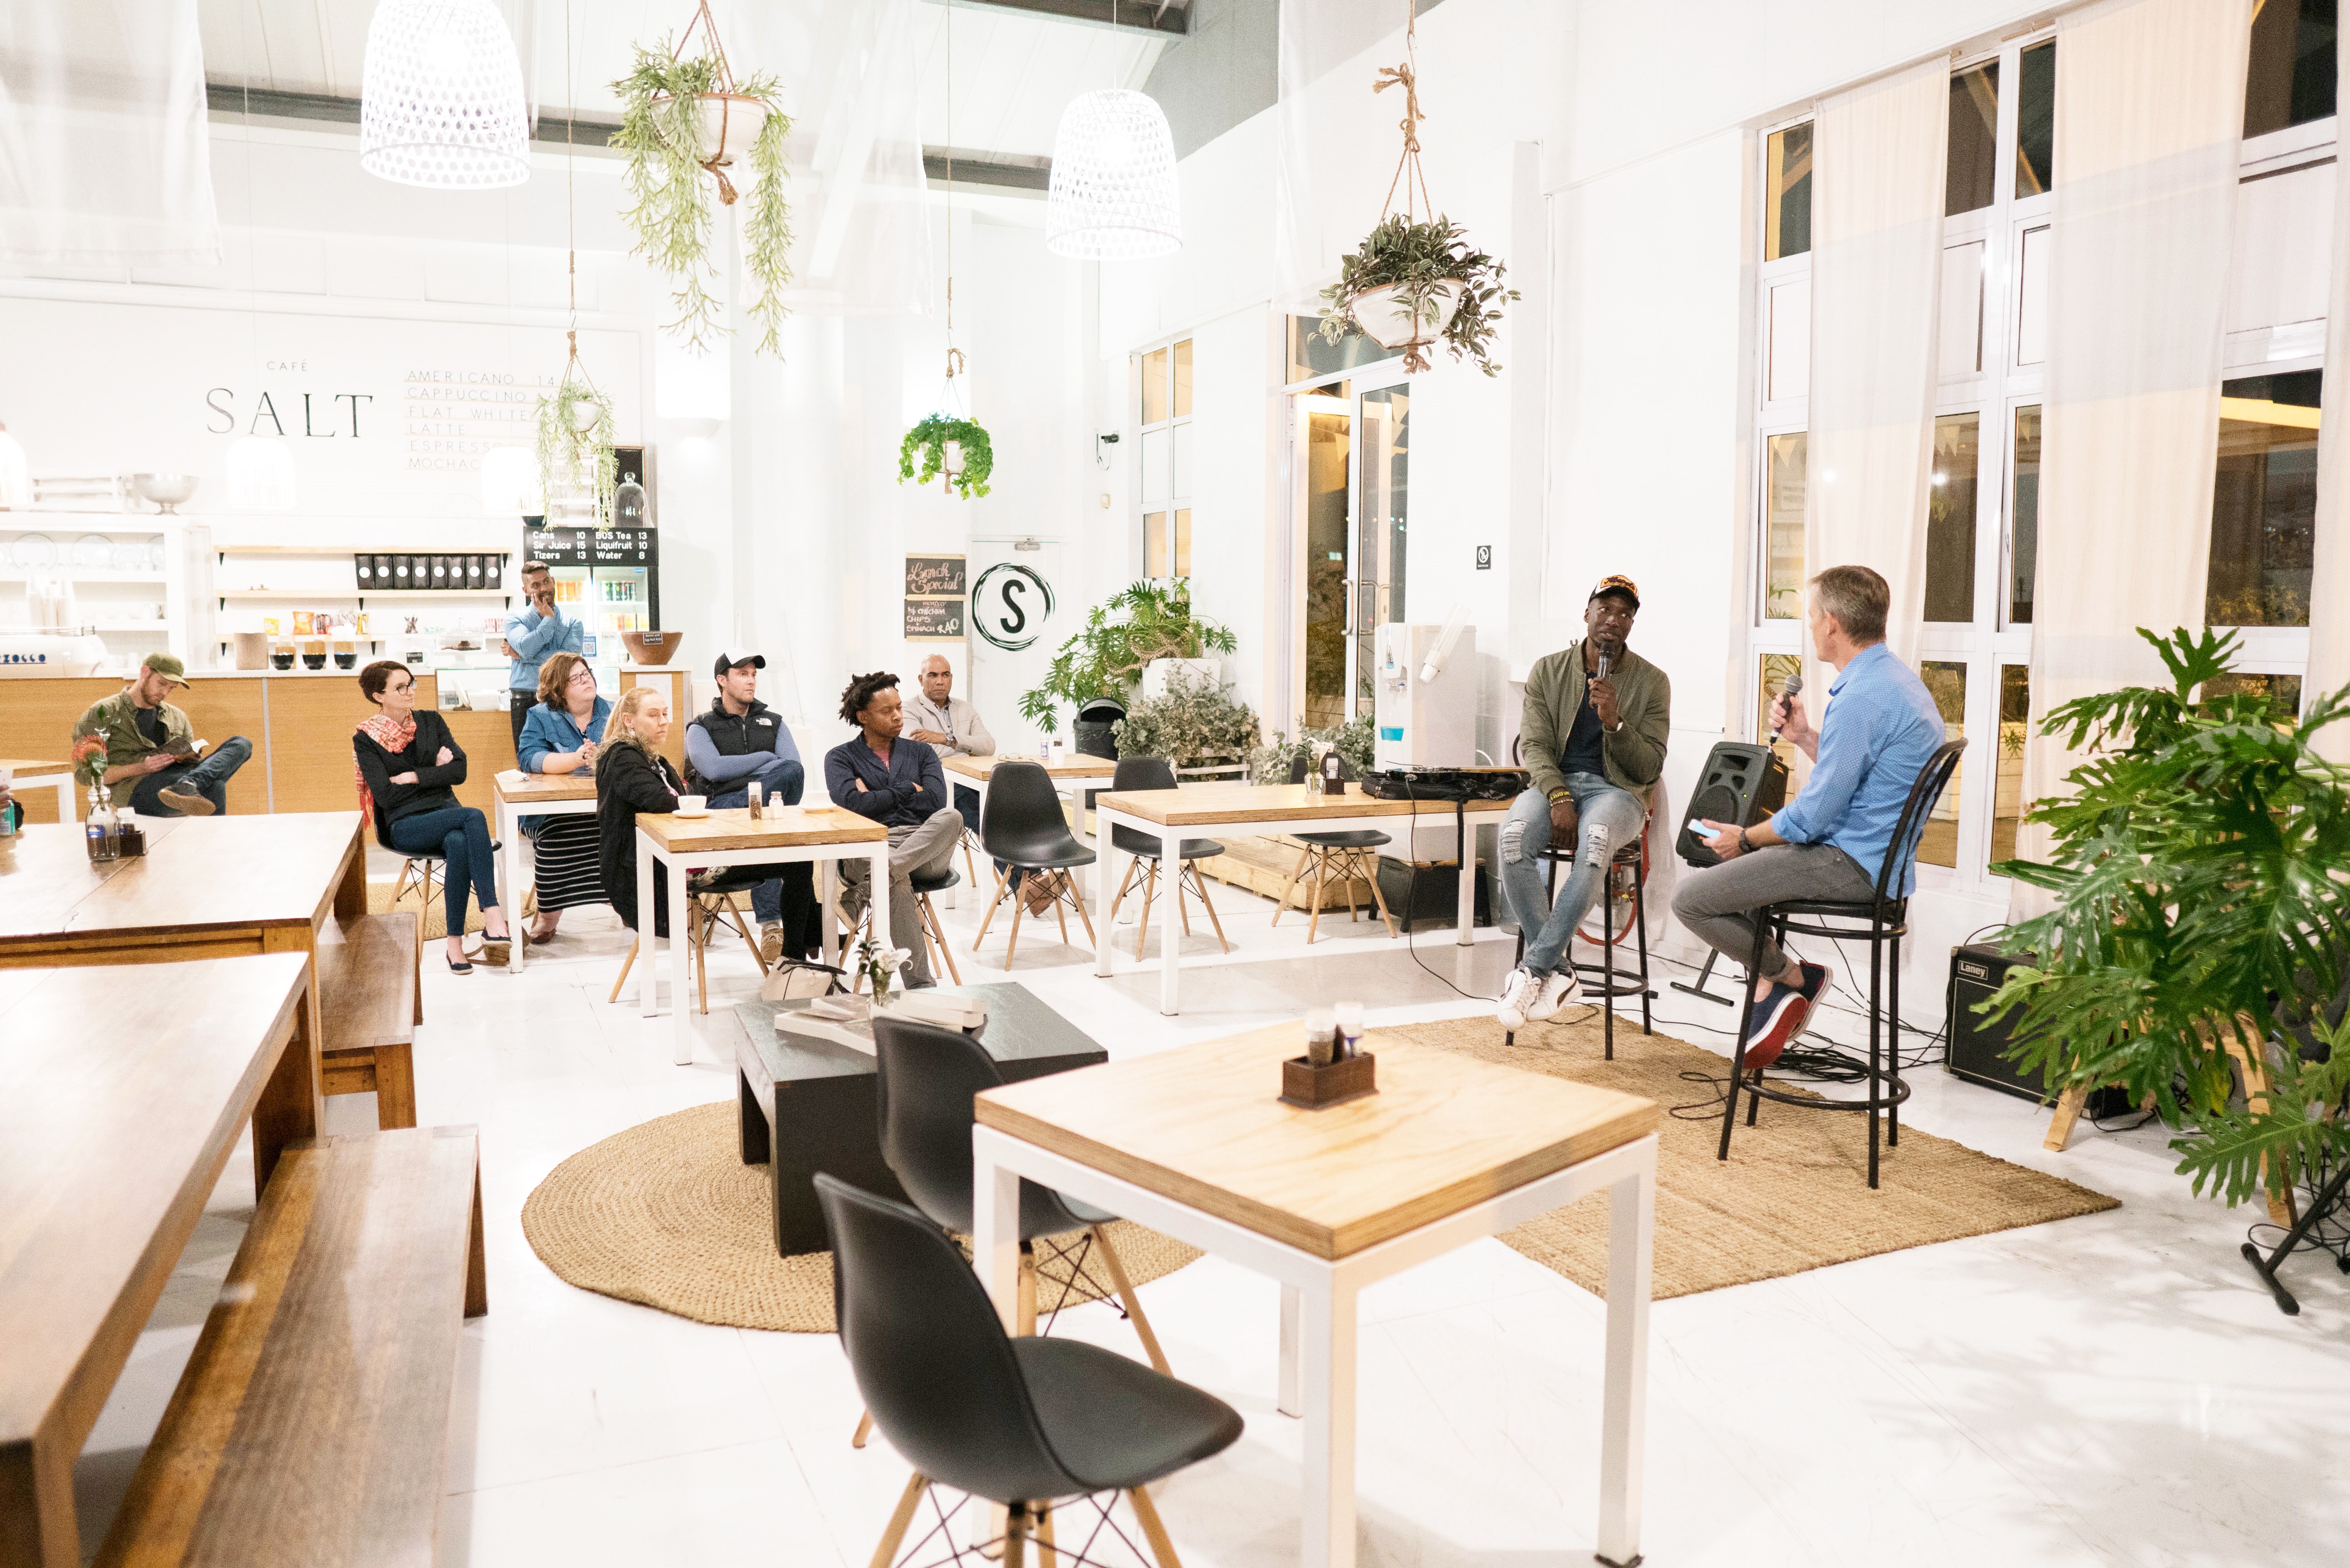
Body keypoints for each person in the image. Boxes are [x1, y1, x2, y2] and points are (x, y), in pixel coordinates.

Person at [1673, 564, 1947, 1067]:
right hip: (1875, 858)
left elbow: (1815, 815)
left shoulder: (1860, 697)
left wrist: (1745, 838)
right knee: (1743, 879)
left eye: (1812, 615)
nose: (1811, 624)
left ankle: (1793, 979)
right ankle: (1773, 987)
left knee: (1690, 900)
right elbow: (1860, 779)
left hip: (1853, 863)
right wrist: (1802, 737)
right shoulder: (1896, 681)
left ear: (1831, 624)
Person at [1496, 576, 1672, 1029]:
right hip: (1553, 785)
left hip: (1617, 793)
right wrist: (1557, 796)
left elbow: (1648, 767)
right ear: (1587, 614)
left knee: (1595, 841)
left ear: (1631, 624)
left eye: (1625, 613)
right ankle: (1559, 972)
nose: (1614, 619)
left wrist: (1615, 724)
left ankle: (1534, 970)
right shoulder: (1548, 670)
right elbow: (1534, 746)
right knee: (1512, 838)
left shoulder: (1652, 682)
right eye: (1605, 609)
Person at [353, 659, 511, 974]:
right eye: (400, 687)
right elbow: (385, 796)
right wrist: (436, 772)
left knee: (458, 842)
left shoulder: (430, 721)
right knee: (473, 817)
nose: (410, 691)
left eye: (411, 683)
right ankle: (493, 915)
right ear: (378, 696)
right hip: (405, 824)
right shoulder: (366, 738)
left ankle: (454, 945)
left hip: (445, 815)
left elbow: (460, 771)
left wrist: (413, 777)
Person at [824, 671, 964, 989]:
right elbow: (853, 806)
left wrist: (874, 798)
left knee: (952, 816)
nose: (898, 716)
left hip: (922, 847)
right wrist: (907, 789)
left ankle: (867, 888)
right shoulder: (840, 758)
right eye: (887, 711)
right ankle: (920, 985)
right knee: (895, 881)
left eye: (899, 707)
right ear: (863, 717)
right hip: (872, 845)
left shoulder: (921, 752)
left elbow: (935, 801)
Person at [684, 649, 815, 962]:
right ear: (722, 680)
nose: (751, 680)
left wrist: (743, 772)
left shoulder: (774, 722)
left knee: (772, 820)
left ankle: (777, 930)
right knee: (773, 834)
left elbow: (793, 768)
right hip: (722, 816)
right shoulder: (700, 726)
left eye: (754, 674)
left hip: (767, 813)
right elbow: (713, 769)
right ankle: (798, 930)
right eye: (743, 674)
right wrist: (765, 759)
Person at [902, 651, 1037, 905]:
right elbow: (922, 753)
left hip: (971, 780)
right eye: (933, 675)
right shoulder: (909, 709)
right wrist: (966, 747)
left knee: (1012, 800)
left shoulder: (965, 708)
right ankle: (1029, 883)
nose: (940, 681)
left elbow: (988, 746)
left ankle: (1032, 878)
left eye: (945, 675)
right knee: (982, 810)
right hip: (934, 786)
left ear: (951, 678)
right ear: (921, 679)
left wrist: (946, 739)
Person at [72, 653, 255, 818]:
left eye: (171, 688)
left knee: (242, 744)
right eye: (162, 684)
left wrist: (188, 758)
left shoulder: (177, 716)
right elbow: (85, 775)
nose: (165, 693)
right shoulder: (102, 713)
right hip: (136, 787)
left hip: (177, 779)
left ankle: (189, 783)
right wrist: (142, 767)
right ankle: (190, 789)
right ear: (145, 672)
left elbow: (190, 757)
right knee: (214, 785)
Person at [515, 650, 611, 943]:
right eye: (576, 678)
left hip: (602, 806)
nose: (586, 680)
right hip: (550, 811)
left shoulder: (614, 712)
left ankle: (625, 904)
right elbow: (529, 758)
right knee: (556, 836)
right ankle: (549, 916)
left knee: (620, 832)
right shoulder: (540, 715)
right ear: (558, 688)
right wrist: (576, 759)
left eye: (587, 674)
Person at [596, 684, 687, 940]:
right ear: (629, 720)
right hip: (637, 872)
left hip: (662, 858)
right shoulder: (623, 756)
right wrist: (697, 803)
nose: (664, 722)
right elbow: (661, 801)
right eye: (653, 715)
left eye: (665, 714)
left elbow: (677, 800)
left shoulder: (654, 760)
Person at [502, 560, 583, 753]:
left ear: (553, 581)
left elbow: (567, 663)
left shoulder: (574, 623)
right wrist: (549, 620)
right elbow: (526, 648)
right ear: (526, 590)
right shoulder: (515, 619)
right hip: (525, 698)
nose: (544, 589)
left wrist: (522, 657)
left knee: (565, 757)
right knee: (528, 758)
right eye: (536, 585)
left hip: (562, 697)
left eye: (546, 582)